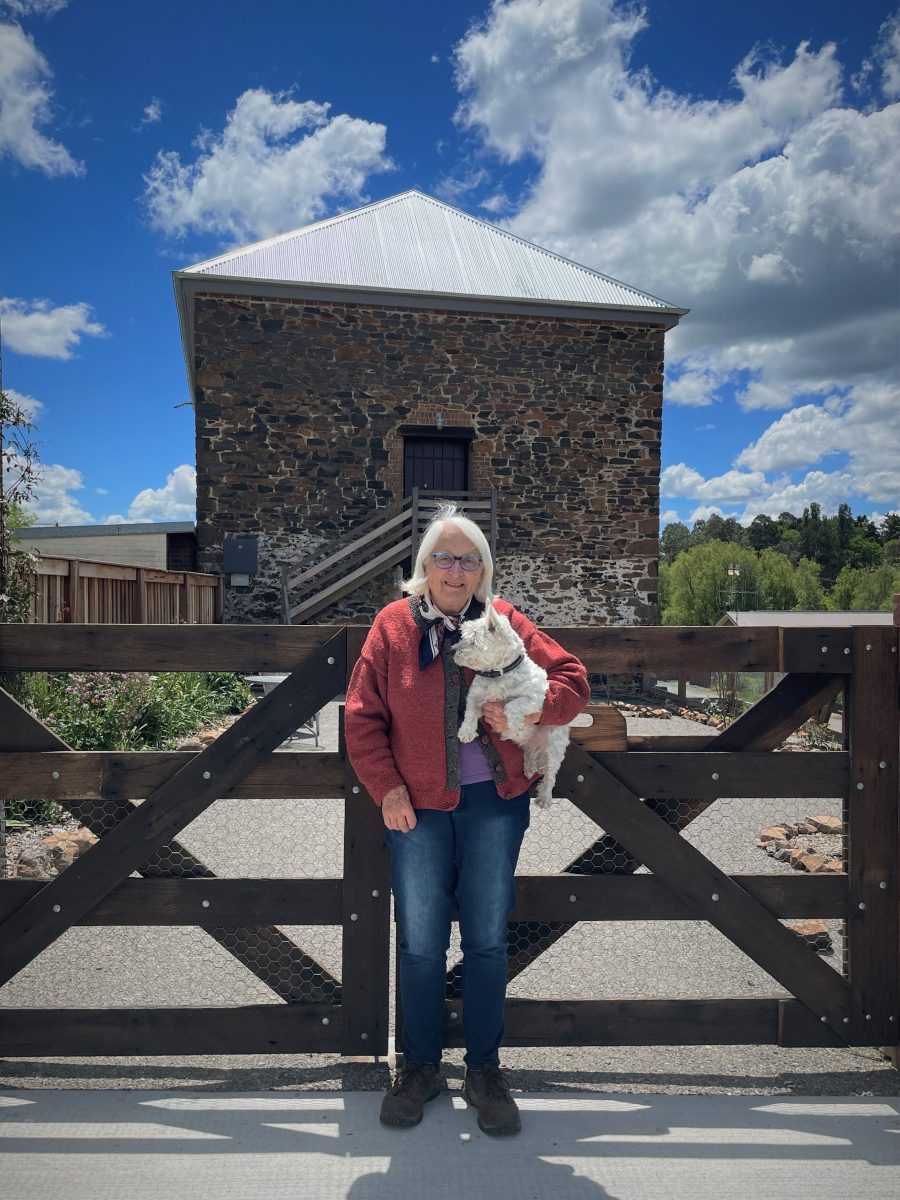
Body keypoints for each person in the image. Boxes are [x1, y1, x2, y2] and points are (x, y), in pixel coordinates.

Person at [344, 504, 589, 1136]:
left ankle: (484, 1069)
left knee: (484, 939)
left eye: (468, 559)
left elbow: (572, 679)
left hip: (494, 806)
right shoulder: (392, 627)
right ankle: (419, 1067)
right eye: (444, 558)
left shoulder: (505, 621)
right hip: (416, 810)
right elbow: (362, 715)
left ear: (483, 569)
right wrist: (387, 787)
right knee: (421, 944)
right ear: (423, 567)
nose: (456, 570)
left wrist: (537, 717)